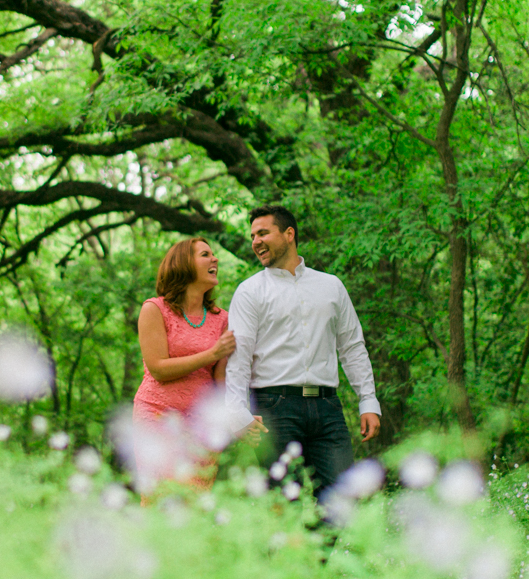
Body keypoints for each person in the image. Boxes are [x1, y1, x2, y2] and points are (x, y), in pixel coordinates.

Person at [223, 204, 381, 502]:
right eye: (253, 235)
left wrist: (368, 400)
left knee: (343, 498)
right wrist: (237, 411)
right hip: (274, 409)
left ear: (289, 234)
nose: (255, 241)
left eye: (263, 233)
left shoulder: (331, 286)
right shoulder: (249, 291)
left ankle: (312, 551)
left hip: (327, 408)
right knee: (283, 504)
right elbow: (239, 357)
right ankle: (293, 548)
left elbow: (352, 346)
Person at [131, 237, 236, 494]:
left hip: (202, 425)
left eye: (213, 254)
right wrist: (211, 353)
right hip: (157, 416)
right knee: (160, 498)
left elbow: (220, 380)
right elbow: (158, 369)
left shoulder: (222, 319)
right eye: (205, 254)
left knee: (195, 504)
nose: (215, 259)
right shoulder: (154, 309)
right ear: (183, 264)